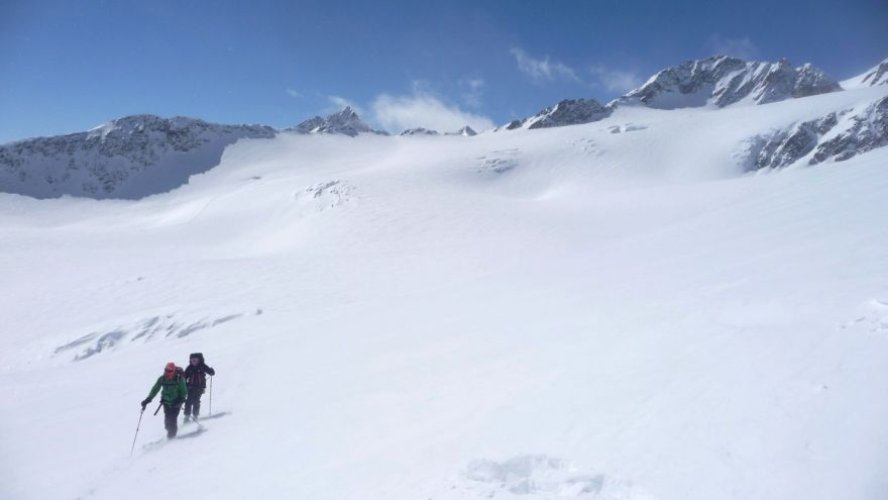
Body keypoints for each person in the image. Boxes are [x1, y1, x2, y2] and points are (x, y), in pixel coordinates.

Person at [141, 362, 188, 439]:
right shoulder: (162, 379)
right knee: (167, 422)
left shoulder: (179, 379)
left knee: (172, 420)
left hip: (176, 404)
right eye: (166, 370)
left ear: (174, 371)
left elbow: (184, 392)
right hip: (166, 403)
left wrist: (180, 400)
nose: (167, 372)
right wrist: (148, 399)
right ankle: (170, 434)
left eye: (170, 371)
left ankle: (171, 439)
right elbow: (155, 389)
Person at [182, 352, 215, 423]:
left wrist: (211, 371)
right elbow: (184, 377)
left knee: (196, 401)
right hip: (190, 387)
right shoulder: (189, 368)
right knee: (188, 401)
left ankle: (195, 416)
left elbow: (210, 372)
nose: (193, 362)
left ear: (199, 360)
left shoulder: (202, 366)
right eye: (192, 360)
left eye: (195, 360)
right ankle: (187, 416)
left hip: (200, 387)